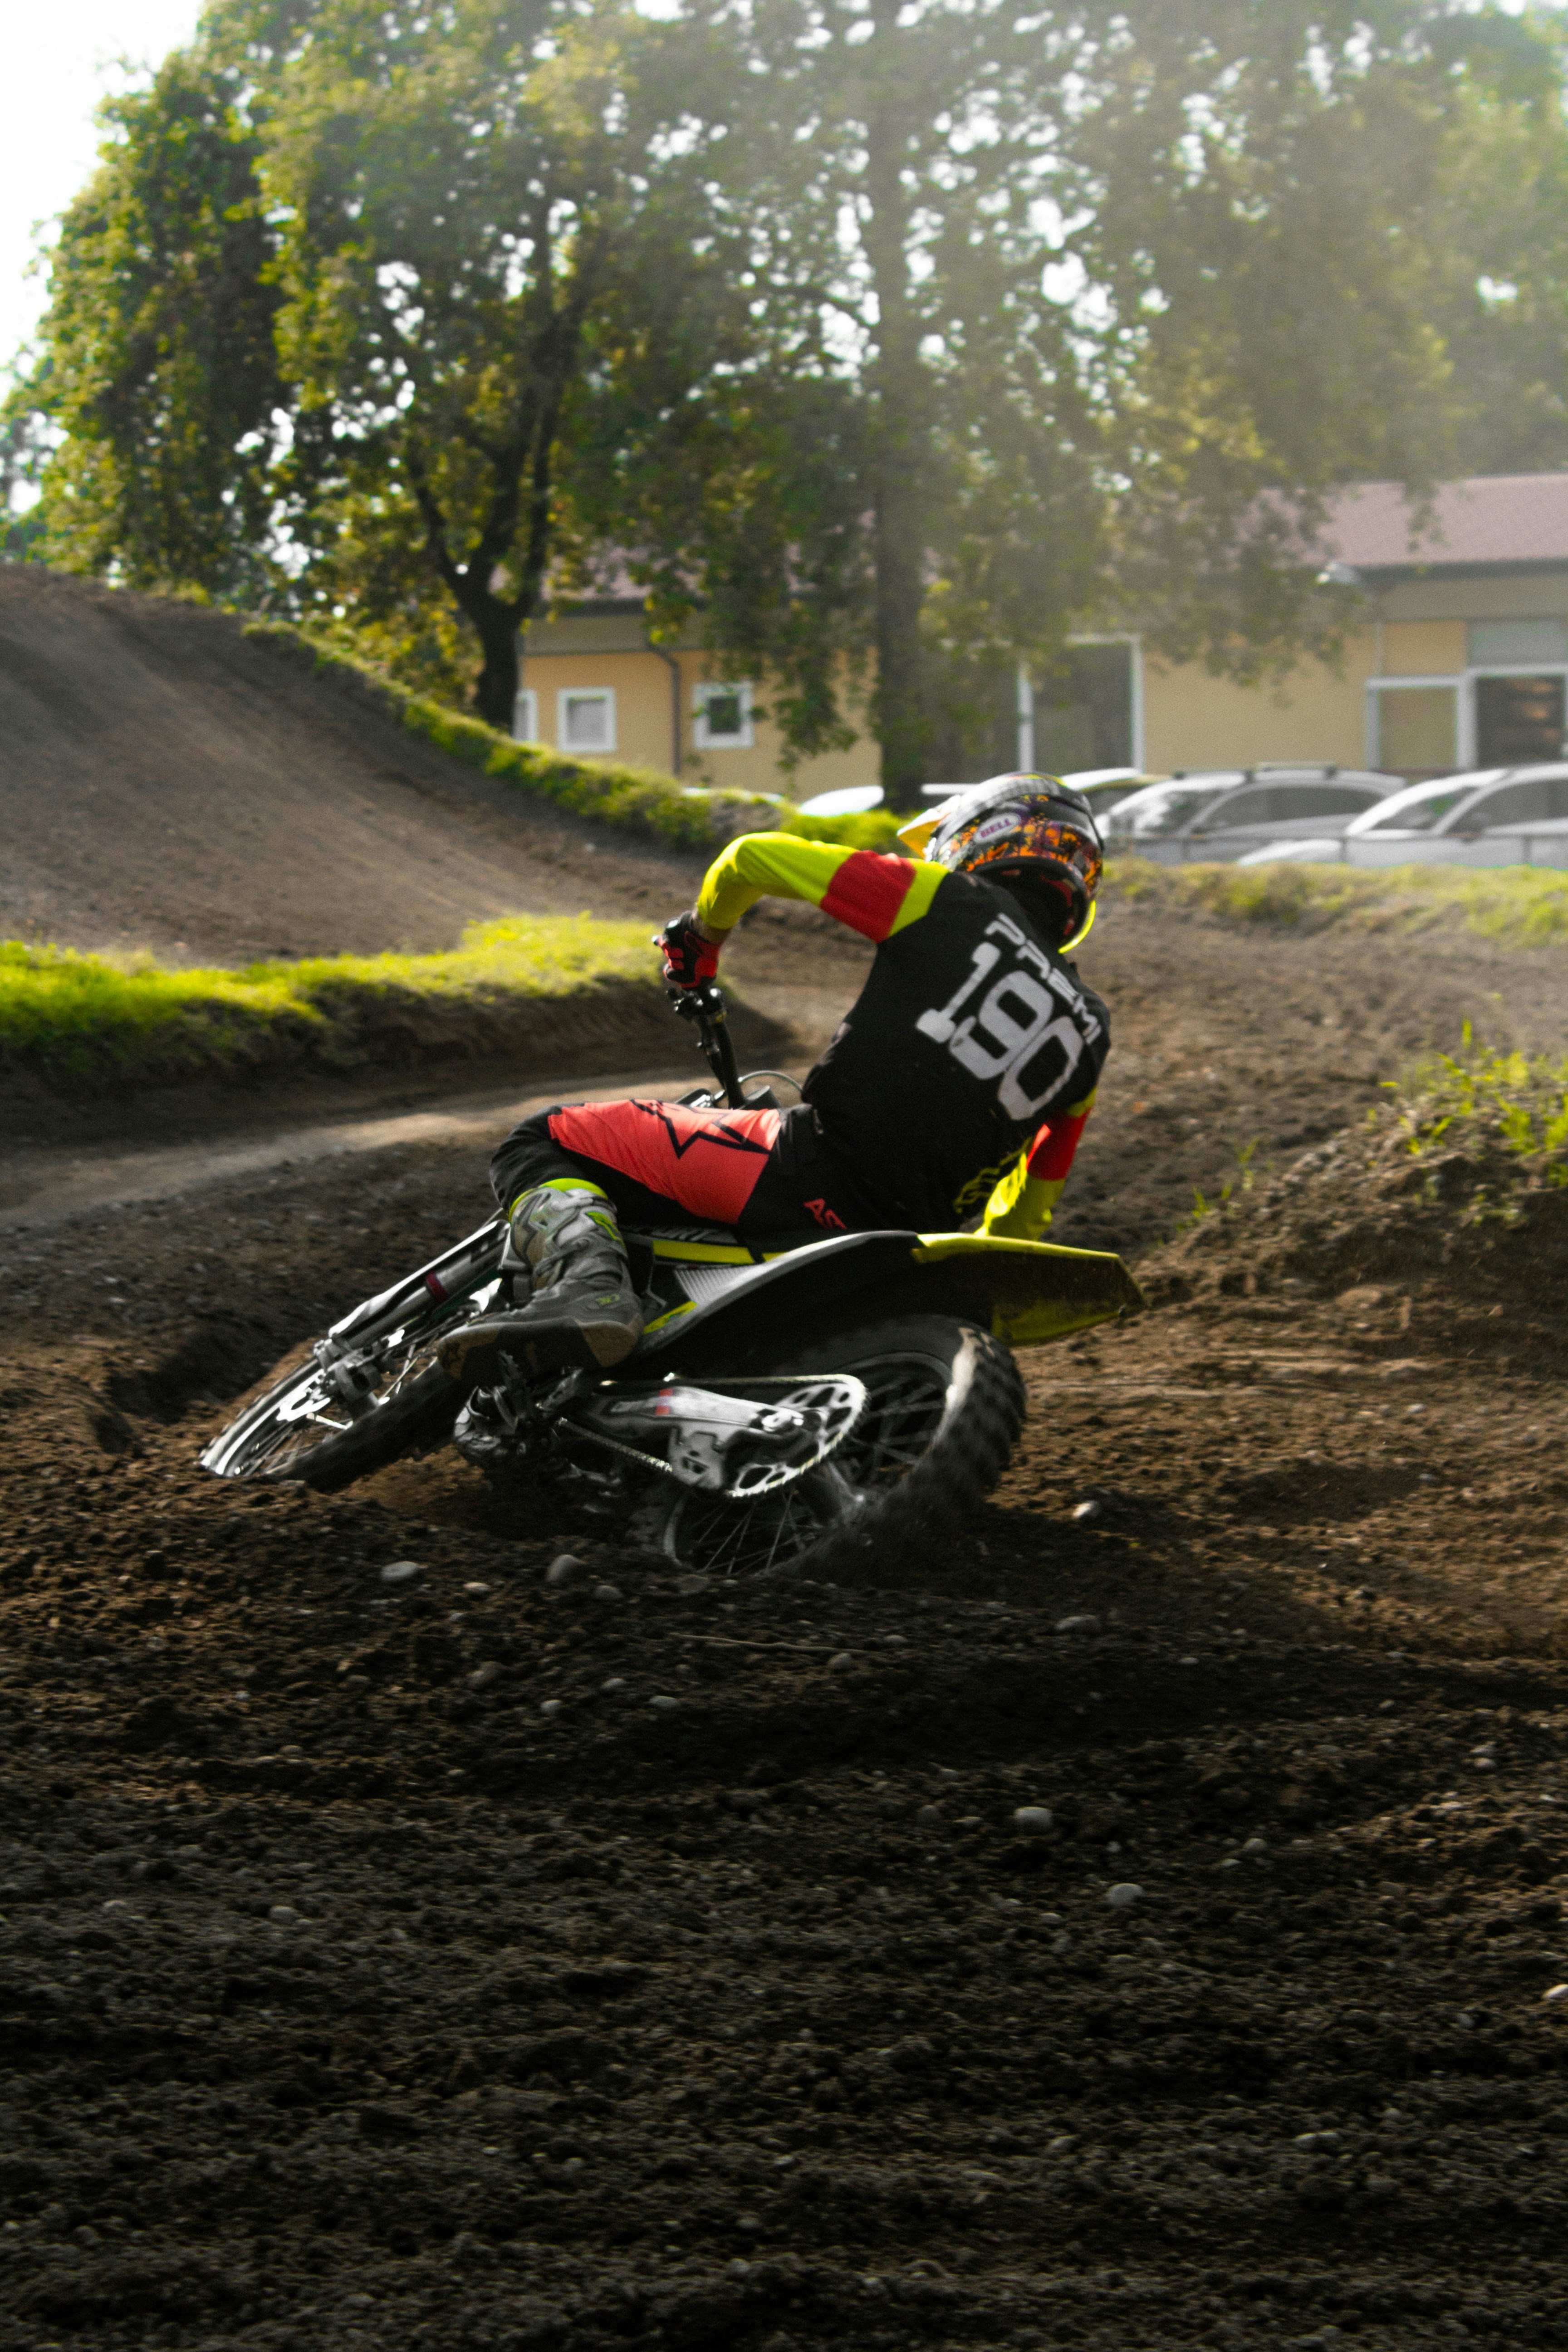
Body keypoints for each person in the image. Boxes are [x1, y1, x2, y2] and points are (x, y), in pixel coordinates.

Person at [440, 773, 1110, 1387]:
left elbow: (751, 857)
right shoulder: (1090, 1031)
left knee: (548, 1137)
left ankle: (588, 1286)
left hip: (801, 1172)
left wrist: (700, 945)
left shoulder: (946, 899)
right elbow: (1030, 1203)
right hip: (905, 1244)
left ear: (975, 836)